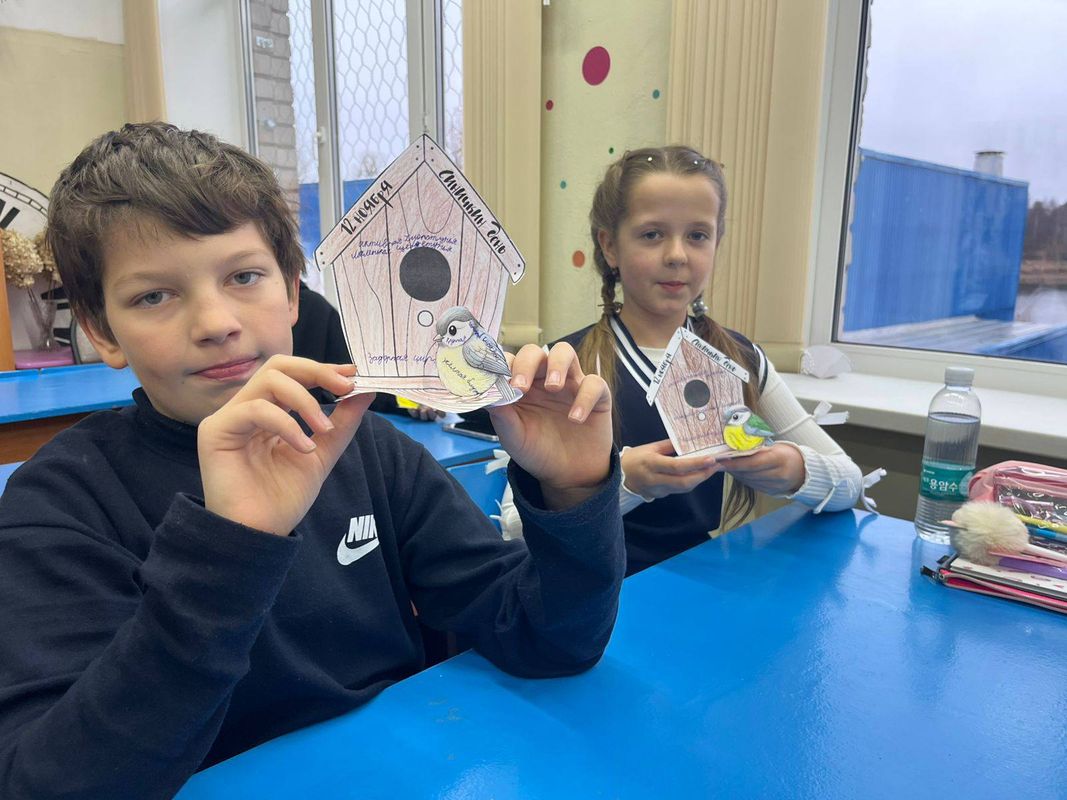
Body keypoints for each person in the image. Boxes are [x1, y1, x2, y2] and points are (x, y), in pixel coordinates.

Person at [0, 122, 624, 799]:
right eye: (153, 296)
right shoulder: (60, 504)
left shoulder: (370, 449)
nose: (215, 323)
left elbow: (548, 638)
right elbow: (50, 783)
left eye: (244, 276)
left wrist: (572, 492)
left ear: (293, 292)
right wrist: (230, 548)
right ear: (101, 330)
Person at [499, 146, 863, 574]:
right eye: (652, 234)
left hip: (702, 585)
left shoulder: (742, 359)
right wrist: (623, 481)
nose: (677, 255)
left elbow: (850, 481)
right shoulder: (568, 367)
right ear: (610, 246)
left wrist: (794, 470)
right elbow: (514, 527)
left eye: (698, 235)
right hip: (594, 588)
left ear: (717, 243)